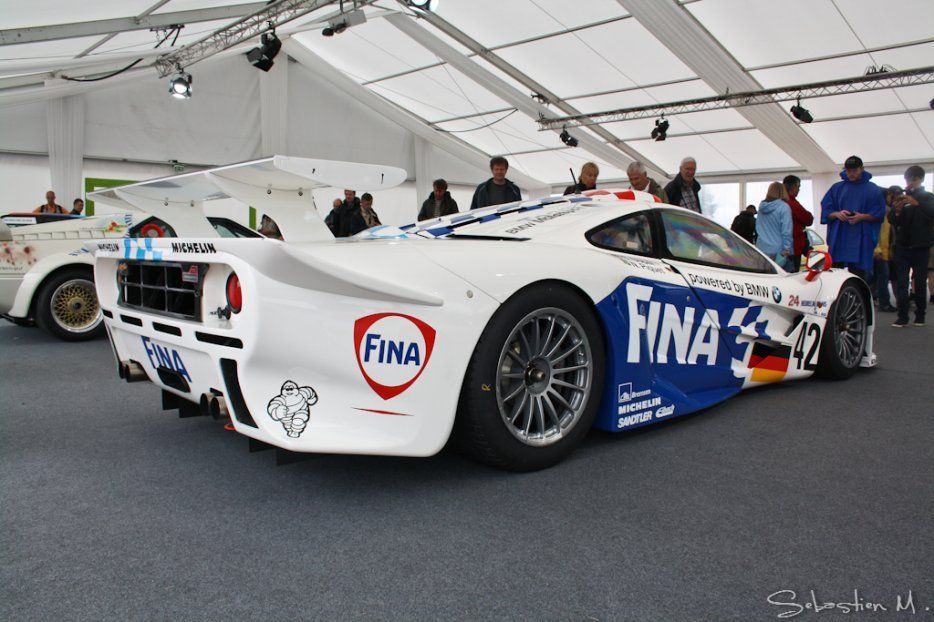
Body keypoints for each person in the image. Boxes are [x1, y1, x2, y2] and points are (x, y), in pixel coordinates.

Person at [819, 155, 885, 281]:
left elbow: (879, 213)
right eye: (848, 171)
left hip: (861, 238)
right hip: (840, 237)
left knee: (859, 276)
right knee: (835, 273)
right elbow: (826, 210)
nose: (851, 174)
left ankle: (859, 299)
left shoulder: (872, 189)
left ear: (862, 169)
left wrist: (862, 217)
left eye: (854, 170)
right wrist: (837, 214)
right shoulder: (837, 188)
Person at [889, 165, 934, 327]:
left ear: (920, 180)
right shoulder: (902, 197)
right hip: (902, 246)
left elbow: (931, 213)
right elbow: (893, 220)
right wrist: (897, 211)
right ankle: (902, 316)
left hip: (921, 246)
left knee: (920, 282)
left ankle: (920, 315)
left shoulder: (928, 197)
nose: (910, 183)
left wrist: (917, 204)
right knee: (902, 282)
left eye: (913, 180)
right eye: (908, 180)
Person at [872, 187, 900, 312]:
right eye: (891, 196)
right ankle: (884, 303)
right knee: (882, 277)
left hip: (885, 250)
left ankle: (881, 301)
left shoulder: (886, 210)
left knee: (879, 277)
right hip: (881, 251)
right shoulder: (882, 211)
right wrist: (877, 249)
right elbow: (876, 232)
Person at [756, 182, 793, 271]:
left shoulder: (761, 207)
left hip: (761, 247)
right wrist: (786, 248)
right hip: (777, 250)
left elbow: (758, 226)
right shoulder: (784, 207)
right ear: (783, 191)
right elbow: (786, 231)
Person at [782, 175, 814, 272]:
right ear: (794, 187)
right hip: (793, 248)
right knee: (791, 279)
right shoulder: (791, 203)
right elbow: (808, 219)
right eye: (798, 187)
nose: (799, 190)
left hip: (776, 248)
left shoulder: (774, 203)